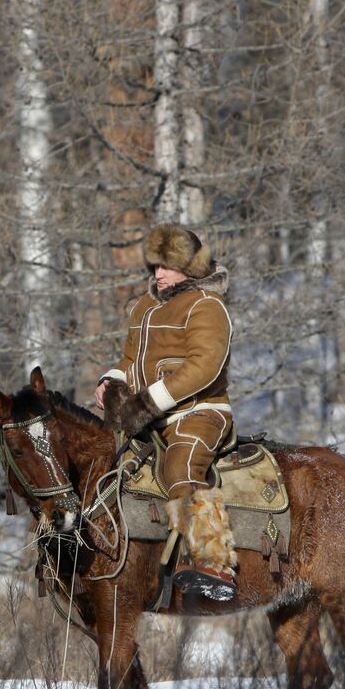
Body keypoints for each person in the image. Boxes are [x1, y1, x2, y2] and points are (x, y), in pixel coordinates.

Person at [95, 224, 237, 601]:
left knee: (180, 465)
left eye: (167, 266)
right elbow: (130, 359)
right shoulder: (144, 306)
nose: (158, 274)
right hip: (147, 417)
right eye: (155, 266)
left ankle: (211, 560)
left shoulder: (208, 305)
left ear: (191, 267)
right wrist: (110, 380)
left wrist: (146, 402)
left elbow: (204, 366)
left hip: (200, 412)